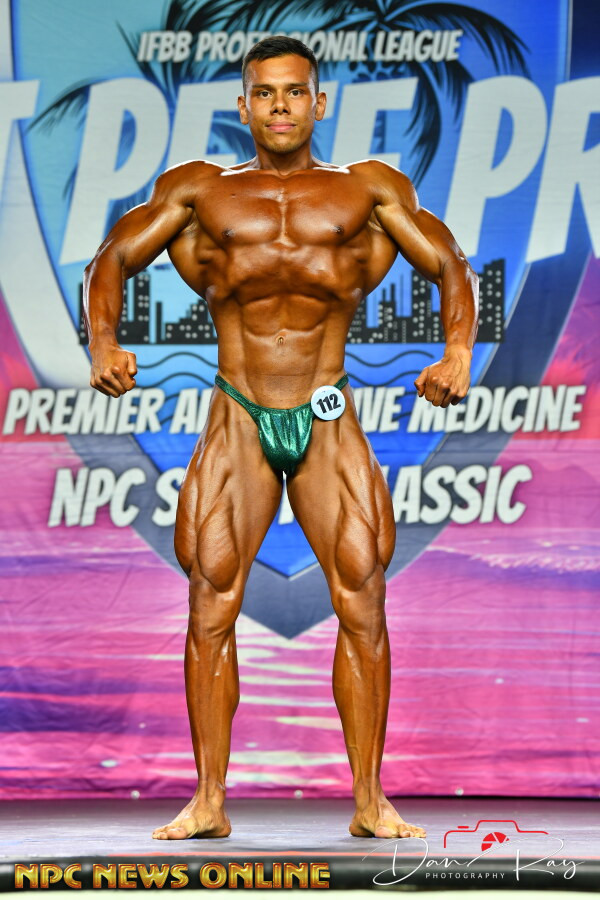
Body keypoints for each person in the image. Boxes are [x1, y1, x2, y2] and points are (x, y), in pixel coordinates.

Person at [84, 36, 478, 841]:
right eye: (264, 93)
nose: (280, 107)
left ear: (318, 102)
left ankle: (370, 800)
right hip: (239, 410)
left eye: (295, 92)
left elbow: (449, 263)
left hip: (326, 410)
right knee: (211, 600)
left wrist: (458, 353)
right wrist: (103, 343)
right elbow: (112, 258)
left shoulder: (366, 189)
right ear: (243, 105)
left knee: (362, 596)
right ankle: (208, 801)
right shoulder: (202, 192)